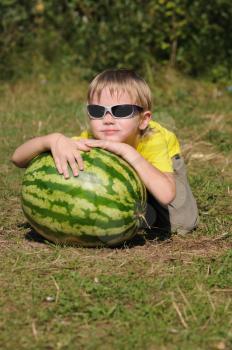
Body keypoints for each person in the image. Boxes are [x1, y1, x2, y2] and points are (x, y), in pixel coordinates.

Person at [11, 69, 199, 235]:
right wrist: (52, 140)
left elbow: (166, 194)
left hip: (158, 164)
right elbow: (17, 158)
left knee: (182, 223)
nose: (108, 119)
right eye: (97, 110)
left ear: (143, 119)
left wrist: (127, 152)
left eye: (122, 110)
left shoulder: (153, 138)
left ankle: (142, 195)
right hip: (124, 173)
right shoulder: (90, 138)